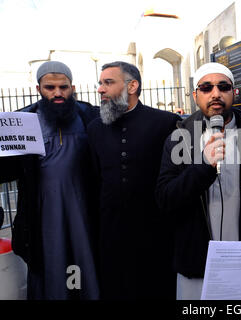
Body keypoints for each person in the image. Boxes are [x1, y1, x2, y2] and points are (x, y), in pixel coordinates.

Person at [156, 62, 241, 300]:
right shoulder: (179, 139)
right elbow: (166, 198)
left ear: (233, 92)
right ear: (195, 95)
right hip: (197, 268)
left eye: (223, 86)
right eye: (206, 87)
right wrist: (202, 168)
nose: (215, 93)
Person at [0, 61, 100, 299]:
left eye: (63, 87)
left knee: (85, 259)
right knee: (51, 263)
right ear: (38, 89)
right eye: (50, 87)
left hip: (83, 207)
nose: (57, 93)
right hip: (42, 210)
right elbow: (7, 170)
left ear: (72, 87)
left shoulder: (90, 115)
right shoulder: (24, 120)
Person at [87, 61, 181, 299]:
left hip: (156, 232)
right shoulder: (95, 128)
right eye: (100, 83)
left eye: (108, 82)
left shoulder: (165, 123)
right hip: (111, 233)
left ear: (132, 86)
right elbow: (94, 178)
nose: (100, 89)